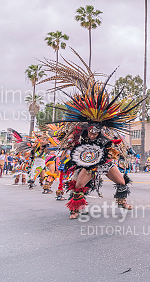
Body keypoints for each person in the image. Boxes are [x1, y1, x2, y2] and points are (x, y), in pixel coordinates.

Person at [38, 52, 138, 220]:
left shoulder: (104, 136)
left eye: (95, 131)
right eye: (91, 130)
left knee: (121, 181)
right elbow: (69, 141)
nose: (92, 133)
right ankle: (75, 209)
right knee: (77, 186)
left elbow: (112, 145)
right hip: (87, 164)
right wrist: (69, 143)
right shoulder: (79, 132)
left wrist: (115, 146)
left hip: (104, 163)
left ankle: (121, 201)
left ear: (99, 129)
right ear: (87, 127)